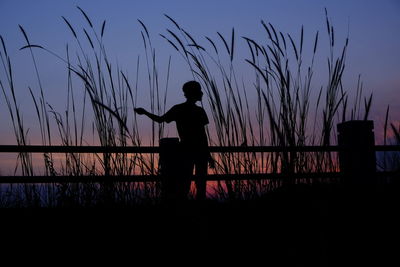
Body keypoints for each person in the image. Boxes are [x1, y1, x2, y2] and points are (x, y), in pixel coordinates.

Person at [134, 80, 214, 201]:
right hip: (197, 151)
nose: (202, 93)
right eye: (199, 91)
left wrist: (145, 112)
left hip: (187, 150)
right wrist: (208, 155)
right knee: (199, 183)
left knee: (186, 182)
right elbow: (202, 136)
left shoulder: (181, 109)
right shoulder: (198, 111)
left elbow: (160, 120)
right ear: (193, 93)